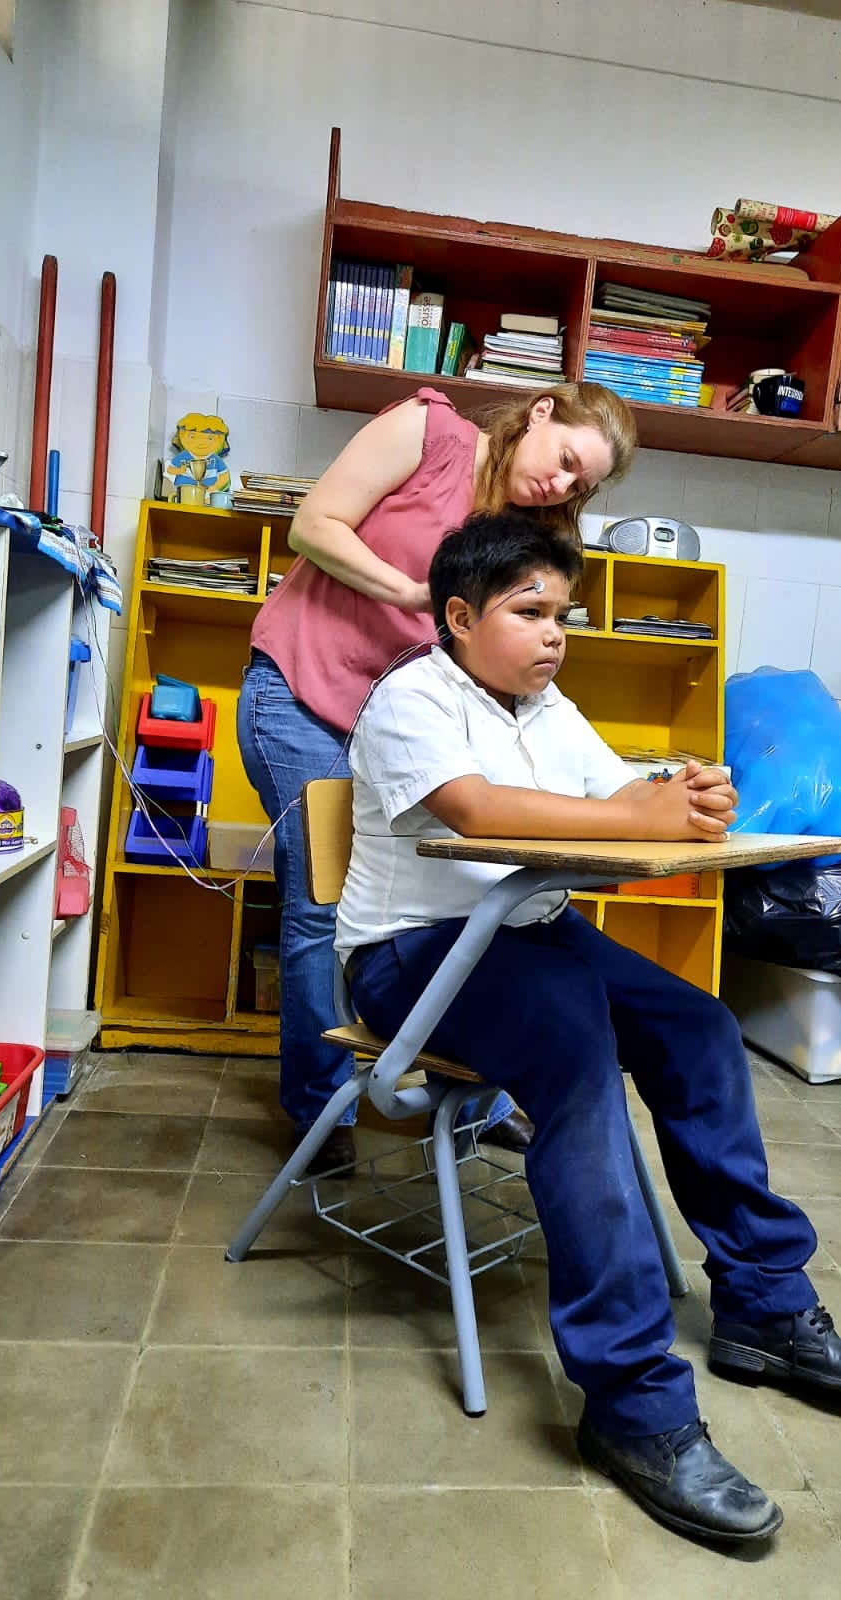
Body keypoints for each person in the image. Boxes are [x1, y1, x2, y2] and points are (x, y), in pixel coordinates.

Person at [335, 509, 841, 1546]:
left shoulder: (547, 704)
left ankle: (764, 1304)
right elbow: (474, 809)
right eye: (530, 610)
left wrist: (685, 795)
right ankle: (636, 1405)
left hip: (527, 928)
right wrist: (635, 816)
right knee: (577, 1059)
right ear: (459, 616)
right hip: (413, 954)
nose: (556, 633)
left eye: (565, 613)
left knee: (697, 1027)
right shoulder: (409, 697)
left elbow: (615, 794)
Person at [238, 382, 635, 1173]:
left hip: (414, 722)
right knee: (320, 907)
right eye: (564, 463)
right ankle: (321, 1114)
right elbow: (311, 526)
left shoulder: (527, 526)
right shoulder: (428, 432)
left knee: (478, 892)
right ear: (543, 413)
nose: (562, 487)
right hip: (306, 691)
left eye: (580, 485)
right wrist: (414, 595)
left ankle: (477, 1106)